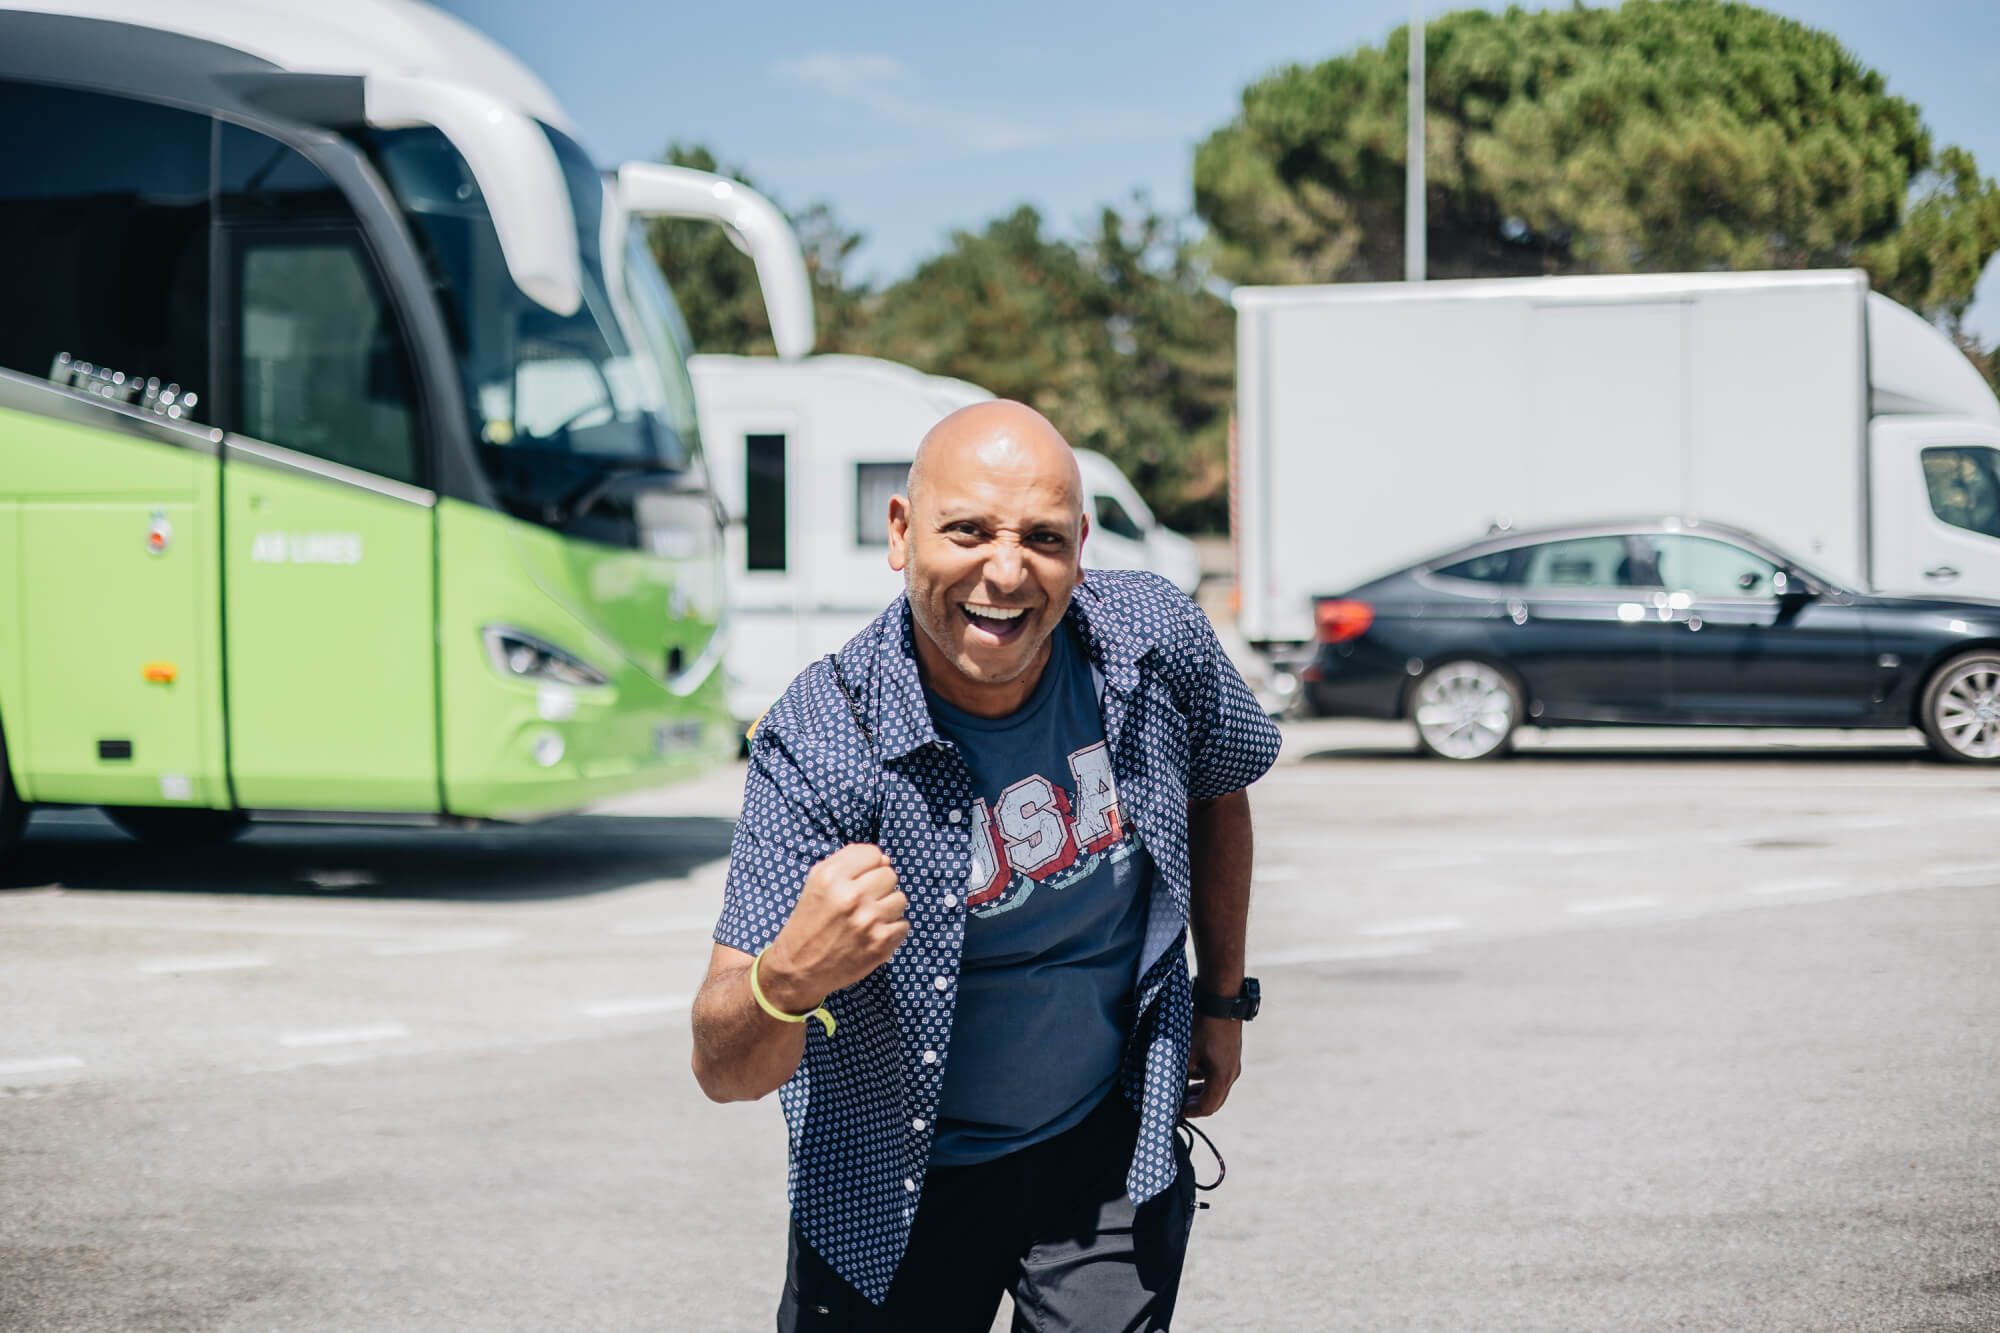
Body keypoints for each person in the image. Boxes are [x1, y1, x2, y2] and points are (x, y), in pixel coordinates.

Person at [692, 400, 1282, 1330]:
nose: (1005, 572)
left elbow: (1218, 785)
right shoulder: (822, 738)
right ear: (901, 532)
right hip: (888, 1188)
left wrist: (1221, 999)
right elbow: (721, 1064)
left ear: (1081, 547)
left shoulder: (1152, 645)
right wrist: (789, 977)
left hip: (1105, 1143)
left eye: (1042, 539)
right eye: (967, 530)